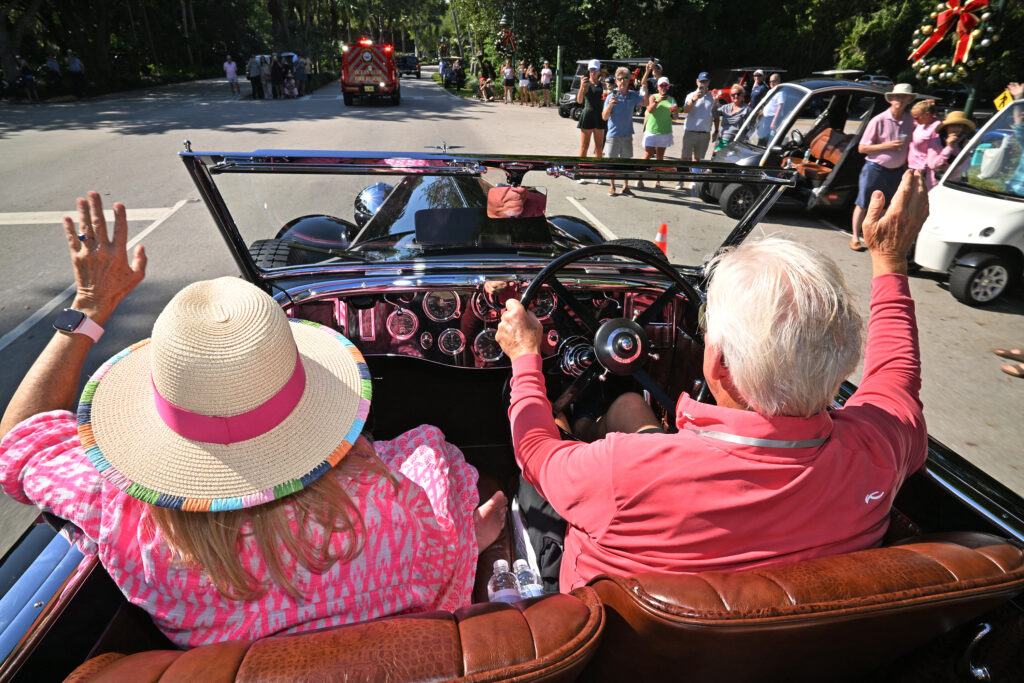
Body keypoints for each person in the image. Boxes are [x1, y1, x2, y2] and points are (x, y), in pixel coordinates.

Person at [0, 192, 506, 648]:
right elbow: (436, 566)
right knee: (428, 449)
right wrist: (468, 539)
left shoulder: (127, 523)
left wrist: (91, 305)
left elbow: (18, 445)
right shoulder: (385, 510)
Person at [495, 170, 930, 592]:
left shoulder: (619, 473)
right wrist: (889, 260)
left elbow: (534, 449)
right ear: (841, 358)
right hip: (774, 643)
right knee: (627, 405)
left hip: (599, 629)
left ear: (717, 362)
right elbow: (896, 376)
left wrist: (525, 357)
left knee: (533, 479)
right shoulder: (881, 446)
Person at [850, 83, 916, 251]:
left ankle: (877, 238)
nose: (900, 100)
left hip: (897, 171)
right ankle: (855, 237)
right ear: (891, 99)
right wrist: (887, 146)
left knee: (887, 207)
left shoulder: (910, 121)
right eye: (897, 97)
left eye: (904, 97)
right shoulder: (879, 120)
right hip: (875, 168)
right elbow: (862, 148)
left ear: (909, 100)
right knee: (863, 204)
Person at [908, 100, 973, 190]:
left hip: (954, 184)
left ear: (963, 128)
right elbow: (933, 165)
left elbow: (966, 165)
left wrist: (948, 165)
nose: (955, 129)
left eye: (959, 126)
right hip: (935, 185)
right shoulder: (936, 141)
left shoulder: (965, 143)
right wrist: (948, 148)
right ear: (946, 127)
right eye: (952, 125)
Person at [603, 66, 643, 196]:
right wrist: (610, 105)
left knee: (627, 163)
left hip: (627, 135)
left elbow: (646, 103)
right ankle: (612, 186)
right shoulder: (611, 96)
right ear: (616, 81)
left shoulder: (632, 95)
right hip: (613, 135)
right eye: (620, 79)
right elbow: (604, 117)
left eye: (625, 78)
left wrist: (645, 89)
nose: (623, 81)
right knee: (612, 163)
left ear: (629, 80)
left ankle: (625, 186)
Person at [638, 76, 678, 189]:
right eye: (661, 85)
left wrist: (674, 112)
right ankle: (639, 178)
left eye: (666, 85)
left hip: (665, 132)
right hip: (652, 131)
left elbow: (675, 117)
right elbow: (649, 110)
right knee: (647, 155)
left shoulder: (672, 100)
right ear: (658, 87)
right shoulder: (653, 97)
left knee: (660, 158)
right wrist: (658, 100)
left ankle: (657, 180)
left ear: (668, 87)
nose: (664, 88)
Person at [576, 59, 607, 176]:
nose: (593, 72)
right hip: (587, 116)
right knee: (584, 147)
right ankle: (580, 171)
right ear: (588, 70)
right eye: (591, 69)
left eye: (595, 69)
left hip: (599, 117)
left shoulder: (603, 85)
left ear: (599, 70)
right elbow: (579, 101)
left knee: (599, 148)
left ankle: (597, 173)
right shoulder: (586, 84)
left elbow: (608, 100)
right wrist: (581, 87)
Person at [681, 71, 715, 162]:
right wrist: (694, 99)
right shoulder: (691, 95)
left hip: (704, 133)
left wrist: (716, 130)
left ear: (709, 82)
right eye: (701, 81)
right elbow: (685, 110)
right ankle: (682, 176)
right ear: (697, 82)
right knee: (685, 158)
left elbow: (715, 114)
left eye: (705, 81)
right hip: (690, 132)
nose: (703, 84)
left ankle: (693, 176)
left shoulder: (712, 97)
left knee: (697, 159)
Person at [713, 83, 750, 152]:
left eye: (738, 94)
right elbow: (715, 114)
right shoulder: (726, 107)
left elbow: (750, 128)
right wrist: (715, 102)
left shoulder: (747, 109)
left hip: (735, 143)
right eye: (733, 95)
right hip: (721, 140)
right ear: (730, 96)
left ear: (742, 95)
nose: (735, 96)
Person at [755, 72, 783, 142]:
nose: (771, 83)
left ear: (779, 82)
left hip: (772, 118)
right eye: (770, 82)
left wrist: (774, 121)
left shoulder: (780, 93)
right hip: (765, 118)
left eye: (773, 81)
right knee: (761, 136)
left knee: (768, 138)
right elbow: (768, 104)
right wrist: (762, 111)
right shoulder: (770, 91)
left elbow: (780, 107)